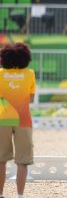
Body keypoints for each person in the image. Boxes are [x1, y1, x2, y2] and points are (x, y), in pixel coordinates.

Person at [0, 43, 35, 198]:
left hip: (3, 117)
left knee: (1, 160)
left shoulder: (0, 74)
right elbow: (31, 98)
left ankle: (0, 194)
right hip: (23, 119)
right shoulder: (30, 74)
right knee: (22, 161)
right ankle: (20, 195)